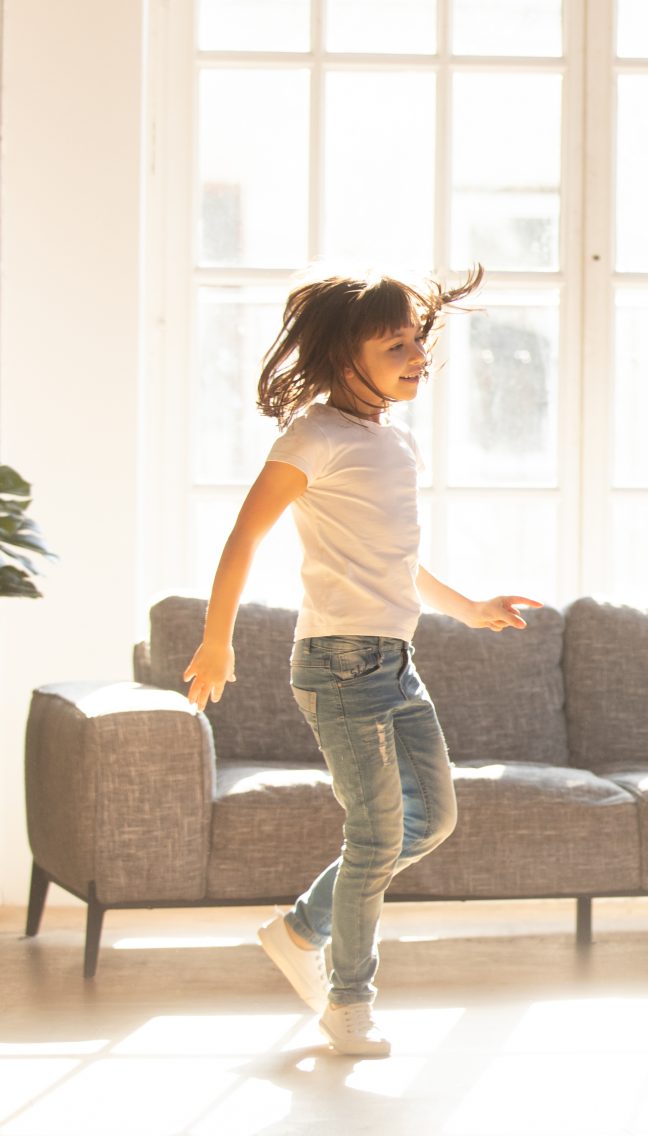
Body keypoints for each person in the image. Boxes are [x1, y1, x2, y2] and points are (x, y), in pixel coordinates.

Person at [181, 266, 540, 1057]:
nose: (419, 355)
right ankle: (349, 1001)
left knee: (432, 819)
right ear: (345, 358)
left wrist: (470, 607)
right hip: (339, 666)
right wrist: (216, 639)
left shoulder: (392, 438)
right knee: (376, 835)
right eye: (395, 344)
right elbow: (243, 538)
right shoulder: (311, 437)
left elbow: (396, 561)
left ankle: (301, 928)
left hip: (395, 661)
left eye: (418, 339)